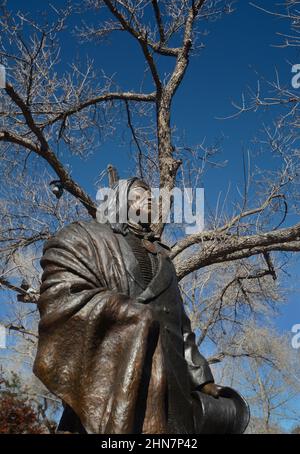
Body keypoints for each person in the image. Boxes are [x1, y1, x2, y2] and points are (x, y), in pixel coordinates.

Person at [33, 177, 248, 434]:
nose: (149, 198)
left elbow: (182, 324)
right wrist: (130, 315)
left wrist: (202, 380)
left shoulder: (163, 257)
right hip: (115, 380)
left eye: (151, 195)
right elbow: (60, 295)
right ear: (119, 200)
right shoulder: (86, 237)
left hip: (173, 386)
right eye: (138, 193)